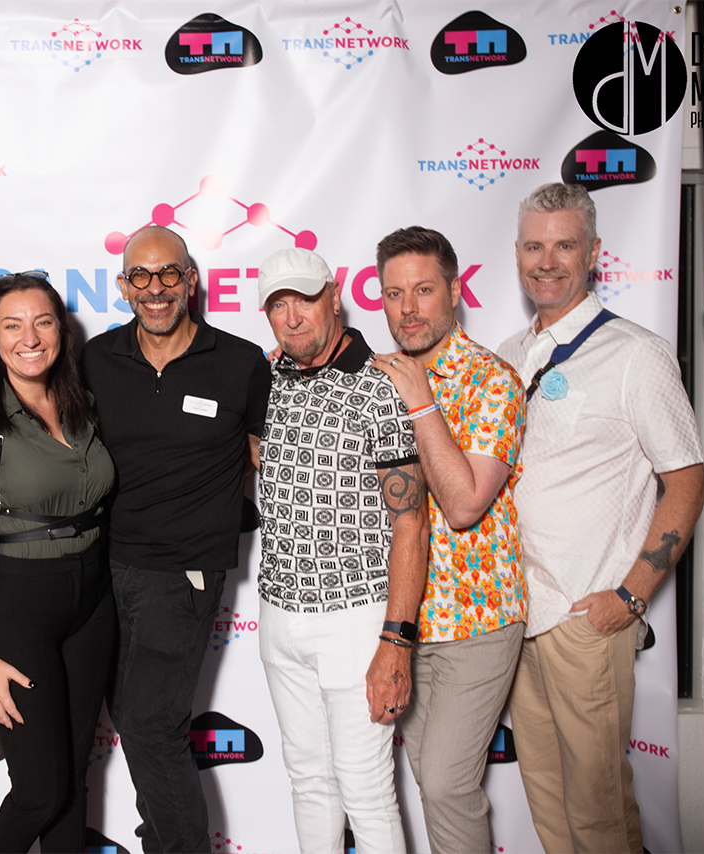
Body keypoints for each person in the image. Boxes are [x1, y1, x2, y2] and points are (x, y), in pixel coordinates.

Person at [496, 183, 704, 853]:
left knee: (598, 815)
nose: (547, 260)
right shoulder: (507, 353)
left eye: (564, 245)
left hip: (587, 620)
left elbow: (688, 481)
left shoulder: (636, 353)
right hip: (517, 614)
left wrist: (631, 594)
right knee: (551, 809)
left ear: (594, 253)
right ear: (518, 254)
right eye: (534, 245)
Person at [79, 225, 270, 853]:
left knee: (150, 723)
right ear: (123, 285)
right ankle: (160, 836)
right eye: (141, 276)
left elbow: (259, 459)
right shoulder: (97, 360)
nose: (155, 289)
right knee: (130, 719)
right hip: (101, 569)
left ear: (191, 280)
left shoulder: (239, 363)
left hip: (183, 574)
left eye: (169, 275)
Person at [255, 246, 429, 854]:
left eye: (303, 298)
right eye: (277, 306)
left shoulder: (378, 384)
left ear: (333, 296)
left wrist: (395, 641)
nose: (293, 316)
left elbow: (411, 521)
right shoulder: (268, 380)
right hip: (279, 615)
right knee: (309, 783)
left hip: (355, 619)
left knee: (366, 789)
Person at [0, 273, 115, 853]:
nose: (29, 337)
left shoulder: (82, 406)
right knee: (41, 789)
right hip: (20, 605)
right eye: (12, 325)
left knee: (71, 782)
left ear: (61, 330)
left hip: (92, 601)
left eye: (42, 322)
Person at [368, 227, 526, 854]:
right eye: (393, 293)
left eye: (424, 290)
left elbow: (462, 505)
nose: (407, 308)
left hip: (476, 619)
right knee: (429, 782)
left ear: (455, 292)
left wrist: (420, 401)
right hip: (405, 620)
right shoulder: (379, 378)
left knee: (445, 779)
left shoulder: (493, 380)